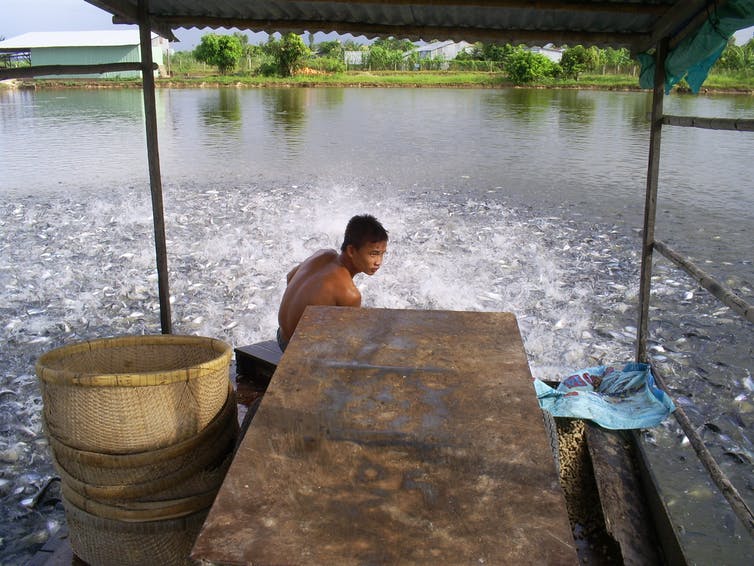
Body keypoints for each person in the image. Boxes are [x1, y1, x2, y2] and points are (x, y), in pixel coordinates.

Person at [276, 214, 389, 352]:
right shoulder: (350, 294)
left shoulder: (323, 254)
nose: (379, 262)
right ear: (351, 251)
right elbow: (347, 340)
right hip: (297, 352)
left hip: (281, 336)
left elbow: (290, 277)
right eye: (373, 254)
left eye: (382, 254)